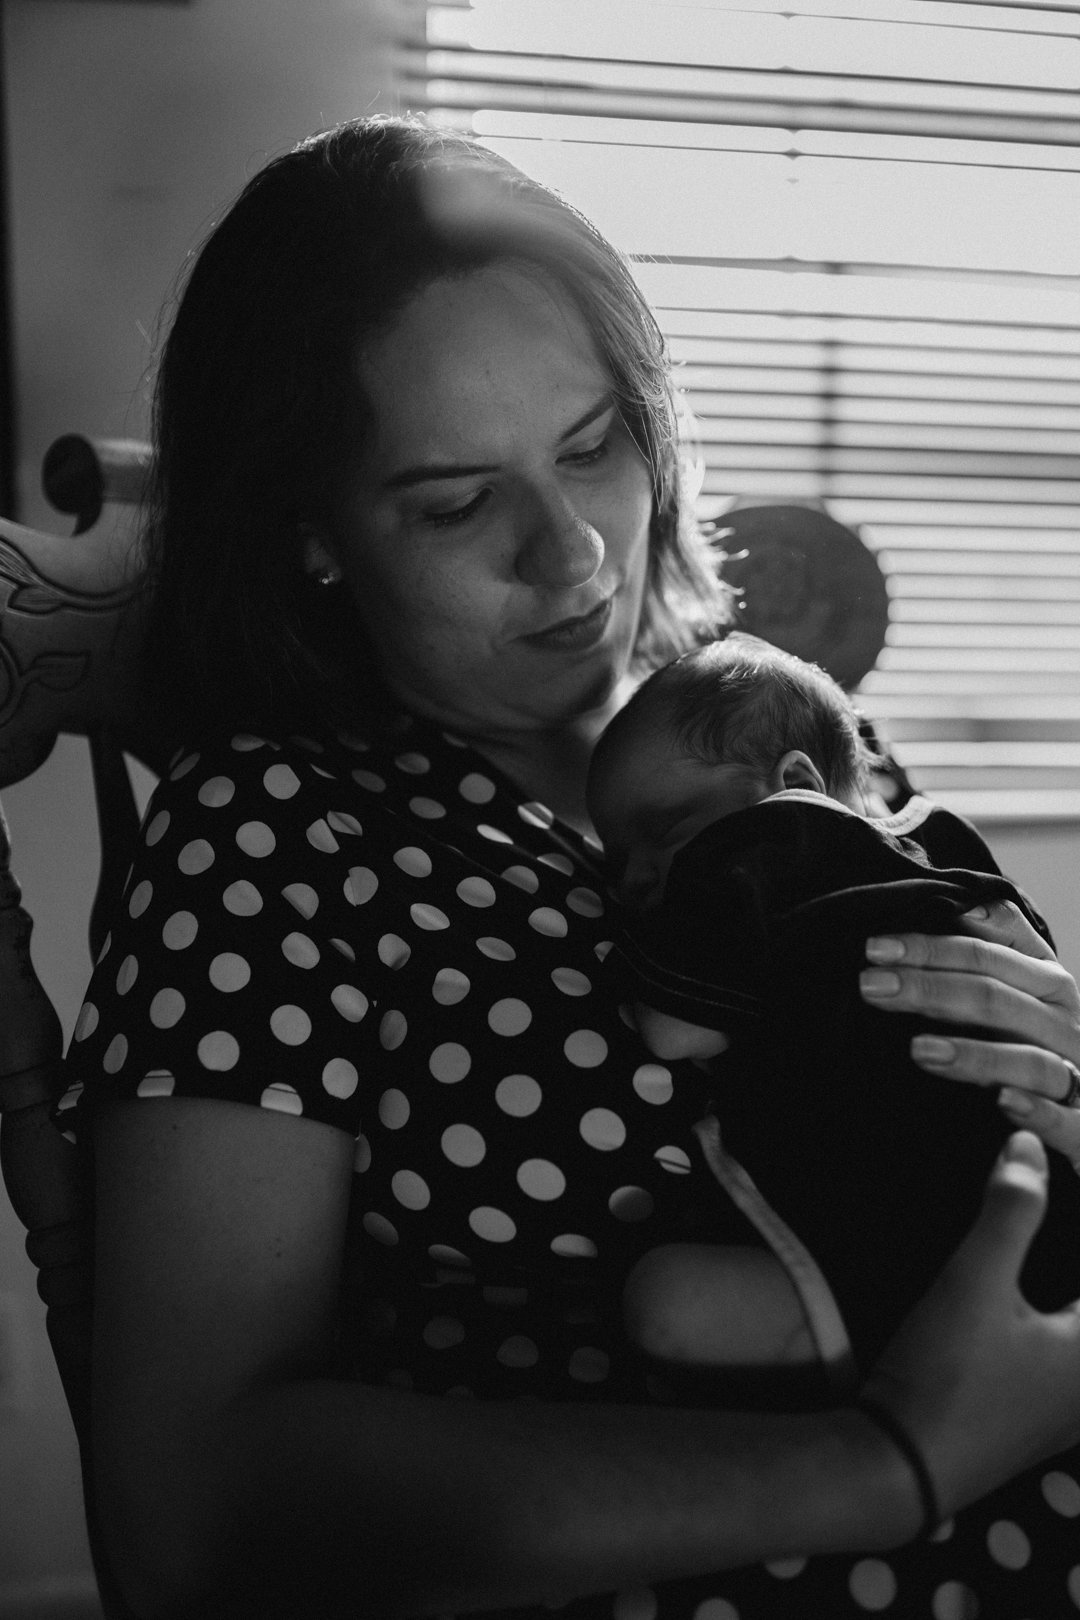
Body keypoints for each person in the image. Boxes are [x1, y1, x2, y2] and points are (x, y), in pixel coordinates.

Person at [61, 114, 1080, 1620]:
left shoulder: (765, 734)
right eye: (459, 500)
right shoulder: (277, 832)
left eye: (595, 445)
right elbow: (192, 1512)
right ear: (314, 535)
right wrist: (893, 1459)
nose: (579, 559)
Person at [587, 635, 1080, 1404]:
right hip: (1040, 1201)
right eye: (616, 860)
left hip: (919, 1245)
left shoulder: (773, 847)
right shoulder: (939, 842)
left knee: (666, 1299)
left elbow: (675, 1031)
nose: (638, 877)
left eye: (667, 831)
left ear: (796, 785)